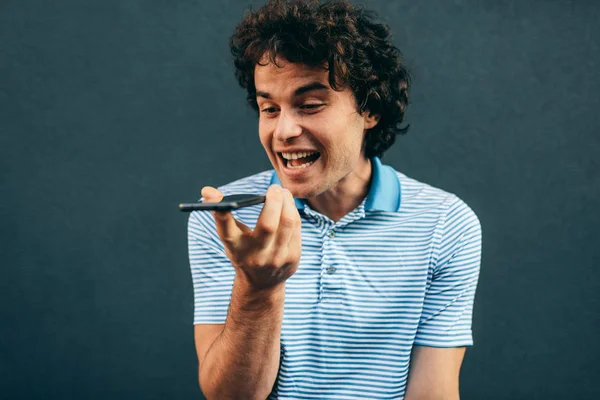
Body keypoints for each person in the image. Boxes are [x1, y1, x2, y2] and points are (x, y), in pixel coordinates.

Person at [187, 0, 482, 399]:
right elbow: (230, 396)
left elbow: (433, 392)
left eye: (309, 105)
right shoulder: (221, 222)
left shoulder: (446, 225)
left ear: (370, 109)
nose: (284, 130)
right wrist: (259, 286)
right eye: (269, 108)